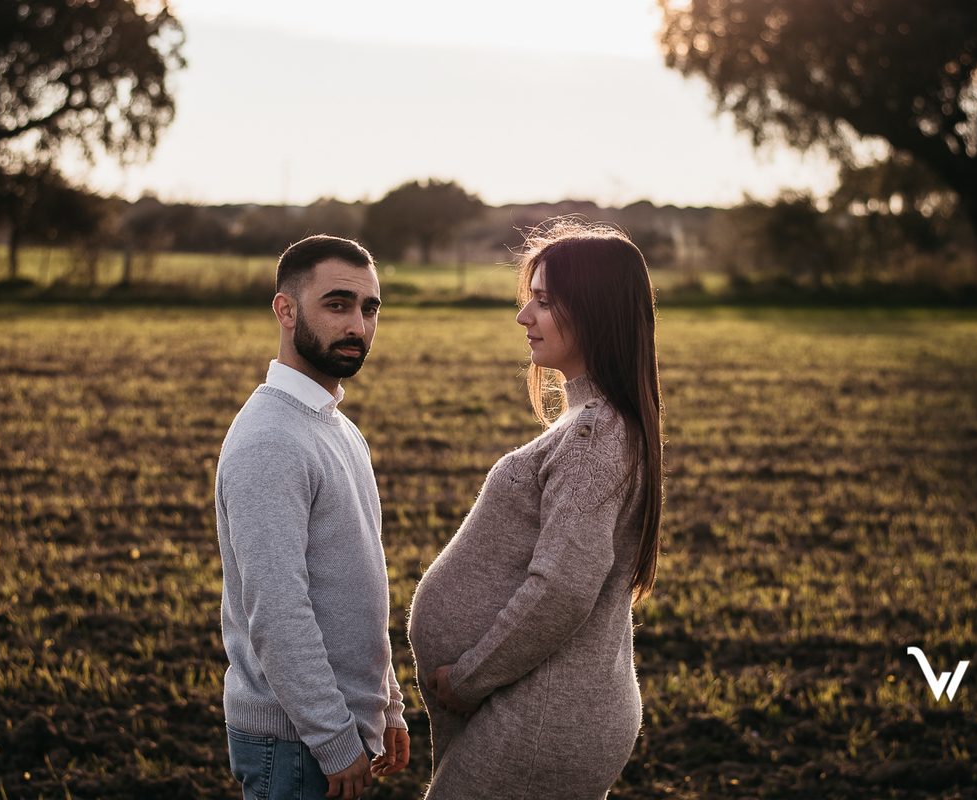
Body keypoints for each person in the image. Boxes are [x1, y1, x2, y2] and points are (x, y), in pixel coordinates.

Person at [408, 220, 663, 799]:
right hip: (544, 708)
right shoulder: (594, 424)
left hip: (542, 716)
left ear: (594, 311)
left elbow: (565, 586)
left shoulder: (594, 434)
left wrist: (472, 678)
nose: (524, 316)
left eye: (544, 301)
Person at [215, 235, 409, 800]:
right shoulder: (271, 439)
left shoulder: (336, 426)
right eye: (338, 304)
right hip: (295, 744)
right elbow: (277, 611)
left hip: (335, 729)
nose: (358, 325)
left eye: (370, 308)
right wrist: (332, 738)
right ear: (285, 309)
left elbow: (351, 583)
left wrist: (386, 700)